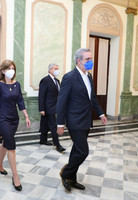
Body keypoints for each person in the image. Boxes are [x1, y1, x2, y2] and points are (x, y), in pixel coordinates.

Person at [56, 48, 107, 192]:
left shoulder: (88, 76)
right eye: (87, 59)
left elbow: (93, 98)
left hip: (86, 120)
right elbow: (62, 102)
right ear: (78, 61)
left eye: (91, 59)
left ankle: (71, 179)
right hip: (74, 121)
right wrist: (60, 123)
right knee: (83, 151)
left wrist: (101, 113)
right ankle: (65, 173)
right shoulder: (69, 77)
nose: (90, 62)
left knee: (77, 150)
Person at [0, 59, 31, 192]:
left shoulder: (17, 84)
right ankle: (16, 176)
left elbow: (20, 101)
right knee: (11, 145)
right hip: (3, 119)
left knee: (6, 143)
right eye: (8, 68)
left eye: (13, 68)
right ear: (3, 71)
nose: (11, 71)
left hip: (14, 119)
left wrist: (26, 115)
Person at [38, 63, 65, 153]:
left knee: (45, 124)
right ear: (50, 70)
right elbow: (41, 95)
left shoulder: (57, 81)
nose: (57, 70)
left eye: (58, 68)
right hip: (48, 107)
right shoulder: (45, 80)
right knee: (54, 126)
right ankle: (57, 145)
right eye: (55, 68)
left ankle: (43, 140)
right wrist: (41, 108)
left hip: (56, 106)